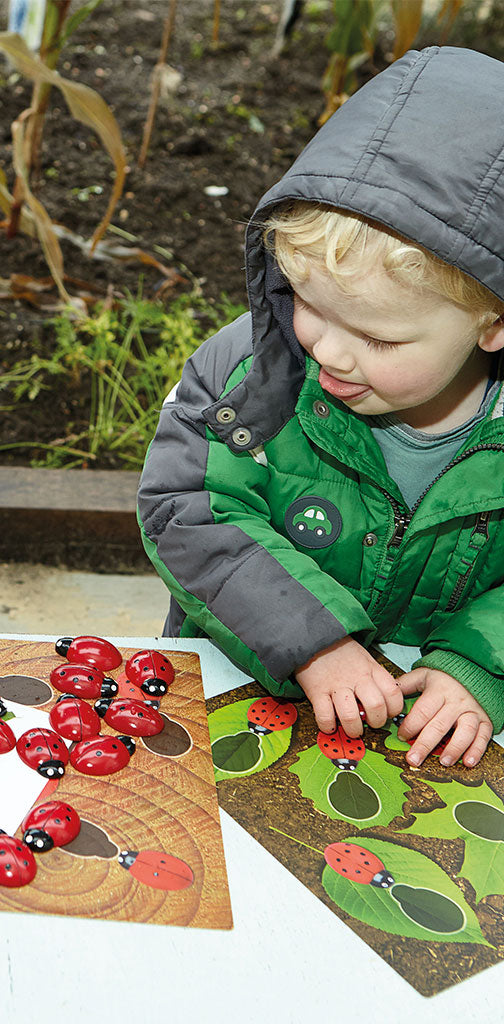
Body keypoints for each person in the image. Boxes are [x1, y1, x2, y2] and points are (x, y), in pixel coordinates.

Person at [138, 46, 504, 769]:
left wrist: (480, 667)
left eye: (375, 336)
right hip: (238, 678)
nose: (329, 353)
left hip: (432, 729)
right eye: (307, 302)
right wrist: (315, 639)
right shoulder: (246, 375)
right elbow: (187, 508)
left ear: (493, 323)